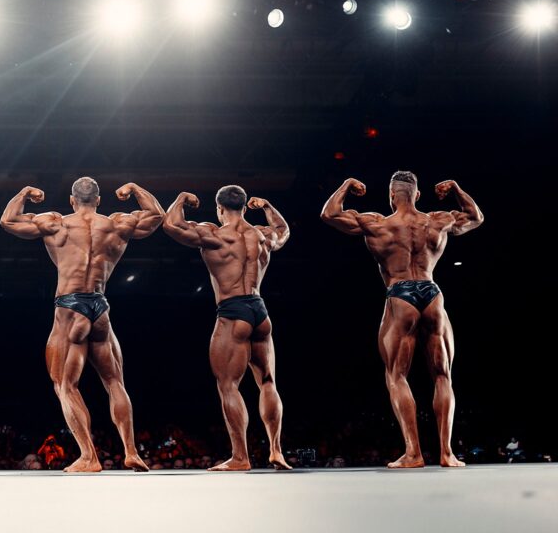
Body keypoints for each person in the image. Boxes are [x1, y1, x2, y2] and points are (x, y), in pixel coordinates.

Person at [320, 173, 483, 468]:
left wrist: (345, 185)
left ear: (392, 196)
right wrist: (457, 189)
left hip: (399, 292)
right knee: (443, 375)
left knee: (396, 376)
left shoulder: (378, 223)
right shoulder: (436, 220)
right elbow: (476, 217)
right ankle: (447, 453)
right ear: (417, 195)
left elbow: (329, 215)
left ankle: (413, 453)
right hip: (432, 292)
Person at [0, 178, 161, 472]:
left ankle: (89, 457)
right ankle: (131, 450)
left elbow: (8, 221)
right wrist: (135, 189)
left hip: (69, 308)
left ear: (72, 201)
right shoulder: (116, 224)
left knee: (64, 384)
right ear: (98, 200)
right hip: (99, 307)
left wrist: (24, 193)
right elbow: (156, 216)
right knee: (114, 382)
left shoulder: (56, 223)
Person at [163, 186, 291, 471]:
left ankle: (241, 457)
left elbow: (171, 224)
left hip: (233, 312)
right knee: (268, 382)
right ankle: (276, 451)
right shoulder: (262, 236)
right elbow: (283, 230)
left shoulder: (215, 235)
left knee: (228, 385)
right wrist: (268, 206)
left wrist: (182, 198)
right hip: (260, 311)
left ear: (219, 209)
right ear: (245, 207)